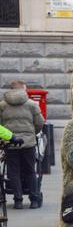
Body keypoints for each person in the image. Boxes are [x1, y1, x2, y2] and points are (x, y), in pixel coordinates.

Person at [0, 81, 44, 209]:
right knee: (30, 171)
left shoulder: (2, 105)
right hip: (28, 143)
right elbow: (39, 122)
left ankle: (18, 201)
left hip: (10, 143)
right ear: (23, 89)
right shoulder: (32, 104)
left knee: (13, 172)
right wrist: (32, 133)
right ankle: (34, 200)